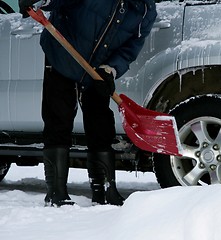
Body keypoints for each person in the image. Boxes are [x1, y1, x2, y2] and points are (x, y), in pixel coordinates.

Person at [18, 0, 157, 206]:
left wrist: (111, 70)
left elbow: (130, 48)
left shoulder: (145, 11)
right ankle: (56, 192)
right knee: (59, 119)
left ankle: (105, 191)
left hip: (97, 71)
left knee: (101, 126)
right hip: (62, 56)